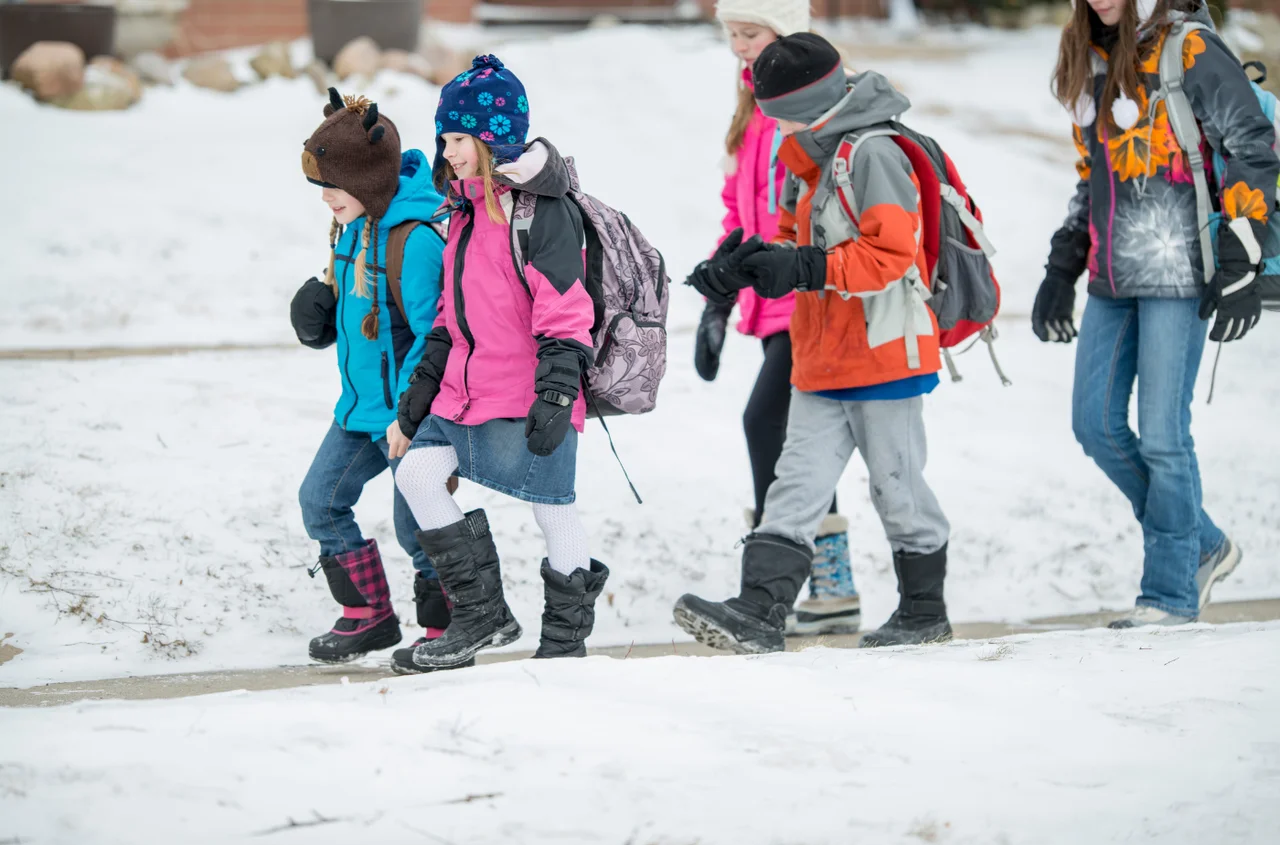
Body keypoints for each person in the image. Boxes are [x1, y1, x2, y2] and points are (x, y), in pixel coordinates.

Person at [678, 33, 953, 653]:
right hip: (820, 355)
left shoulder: (874, 154)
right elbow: (787, 238)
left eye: (783, 115)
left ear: (813, 102)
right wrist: (741, 270)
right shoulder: (810, 157)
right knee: (794, 485)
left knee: (897, 488)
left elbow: (890, 253)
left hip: (884, 356)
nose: (777, 129)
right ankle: (759, 611)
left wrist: (806, 268)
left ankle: (924, 610)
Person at [1033, 0, 1271, 627]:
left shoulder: (1187, 49)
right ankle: (1203, 542)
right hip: (1112, 277)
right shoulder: (1088, 57)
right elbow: (1094, 175)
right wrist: (1063, 266)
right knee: (1095, 426)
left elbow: (1253, 143)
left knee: (1165, 438)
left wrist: (1242, 253)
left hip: (1182, 271)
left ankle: (1169, 593)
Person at [392, 55, 609, 672]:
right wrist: (423, 385)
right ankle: (482, 615)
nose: (449, 151)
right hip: (462, 389)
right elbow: (447, 315)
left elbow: (566, 311)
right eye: (445, 138)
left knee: (554, 509)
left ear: (491, 140)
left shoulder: (543, 212)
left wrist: (560, 389)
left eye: (459, 138)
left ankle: (565, 641)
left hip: (529, 389)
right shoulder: (459, 211)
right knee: (415, 477)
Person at [691, 0, 860, 636]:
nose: (739, 45)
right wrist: (719, 293)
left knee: (768, 424)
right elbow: (739, 211)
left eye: (750, 32)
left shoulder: (807, 102)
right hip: (771, 300)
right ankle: (830, 586)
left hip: (814, 294)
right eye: (732, 33)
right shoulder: (751, 106)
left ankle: (773, 584)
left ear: (784, 30)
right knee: (798, 439)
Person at [293, 90, 450, 663]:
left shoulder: (415, 240)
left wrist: (410, 413)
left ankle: (445, 629)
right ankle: (369, 615)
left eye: (333, 184)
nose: (326, 197)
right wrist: (318, 317)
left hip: (412, 416)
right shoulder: (353, 228)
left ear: (367, 178)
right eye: (320, 187)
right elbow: (364, 314)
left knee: (421, 529)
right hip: (360, 411)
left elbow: (437, 335)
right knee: (320, 501)